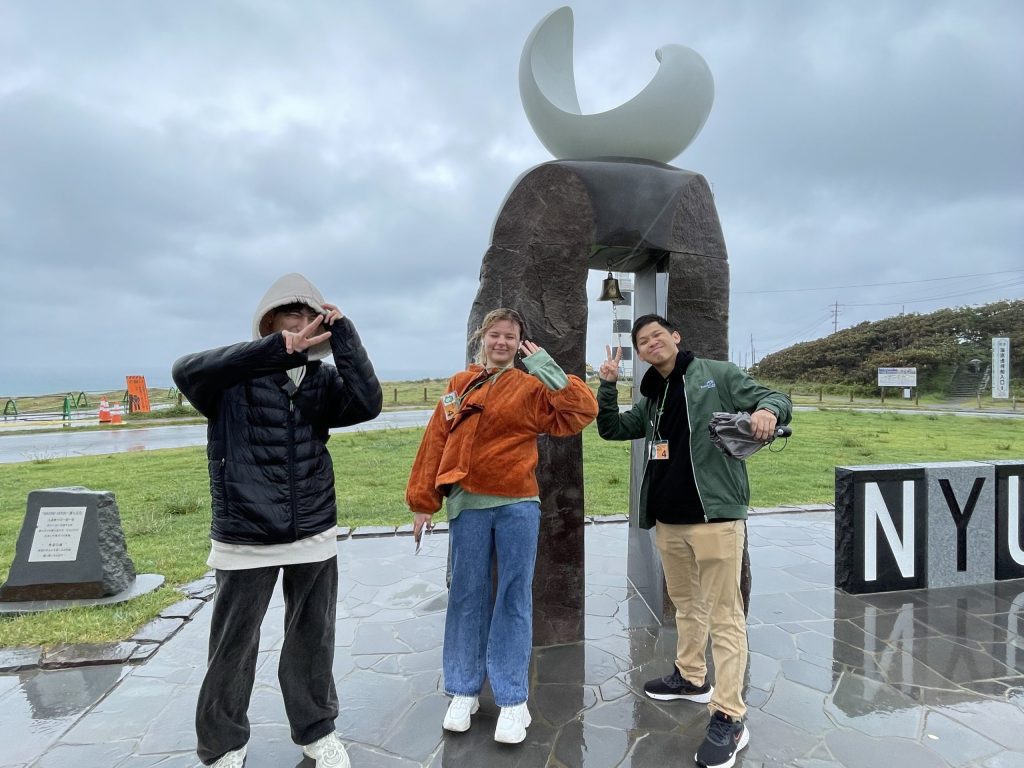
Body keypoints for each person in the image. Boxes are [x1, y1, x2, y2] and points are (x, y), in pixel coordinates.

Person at [172, 273, 383, 768]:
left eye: (312, 316)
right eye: (292, 315)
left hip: (312, 527)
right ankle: (224, 743)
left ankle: (316, 731)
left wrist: (346, 335)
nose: (303, 324)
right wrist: (274, 351)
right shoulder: (228, 378)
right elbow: (185, 368)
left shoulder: (322, 382)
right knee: (233, 644)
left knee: (313, 639)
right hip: (245, 533)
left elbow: (368, 404)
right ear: (268, 322)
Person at [596, 314, 791, 768]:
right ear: (640, 353)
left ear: (675, 337)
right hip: (669, 521)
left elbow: (774, 397)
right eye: (643, 342)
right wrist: (606, 386)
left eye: (657, 336)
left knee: (725, 615)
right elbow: (612, 429)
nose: (651, 344)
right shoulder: (653, 395)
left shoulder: (716, 374)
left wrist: (766, 412)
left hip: (716, 517)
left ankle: (730, 714)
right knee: (686, 605)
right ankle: (690, 676)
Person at [406, 308, 598, 744]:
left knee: (514, 596)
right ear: (482, 338)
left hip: (517, 506)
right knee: (467, 597)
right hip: (467, 507)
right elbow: (435, 440)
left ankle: (513, 700)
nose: (502, 342)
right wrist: (423, 503)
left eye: (510, 337)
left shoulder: (532, 387)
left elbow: (582, 410)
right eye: (496, 335)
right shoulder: (459, 385)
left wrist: (546, 367)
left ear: (519, 344)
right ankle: (463, 691)